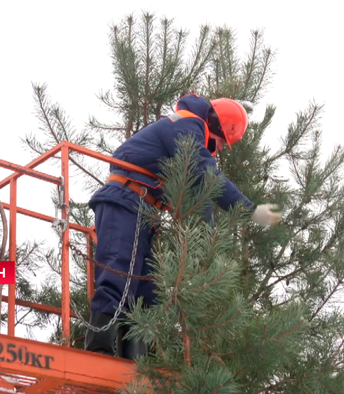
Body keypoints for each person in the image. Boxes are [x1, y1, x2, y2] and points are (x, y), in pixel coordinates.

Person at [84, 93, 282, 360]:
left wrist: (208, 243)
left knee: (145, 291)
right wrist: (250, 210)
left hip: (141, 208)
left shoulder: (186, 130)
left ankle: (136, 362)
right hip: (127, 201)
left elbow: (200, 195)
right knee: (121, 273)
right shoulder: (187, 126)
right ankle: (100, 351)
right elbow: (206, 173)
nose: (220, 148)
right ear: (215, 125)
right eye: (222, 141)